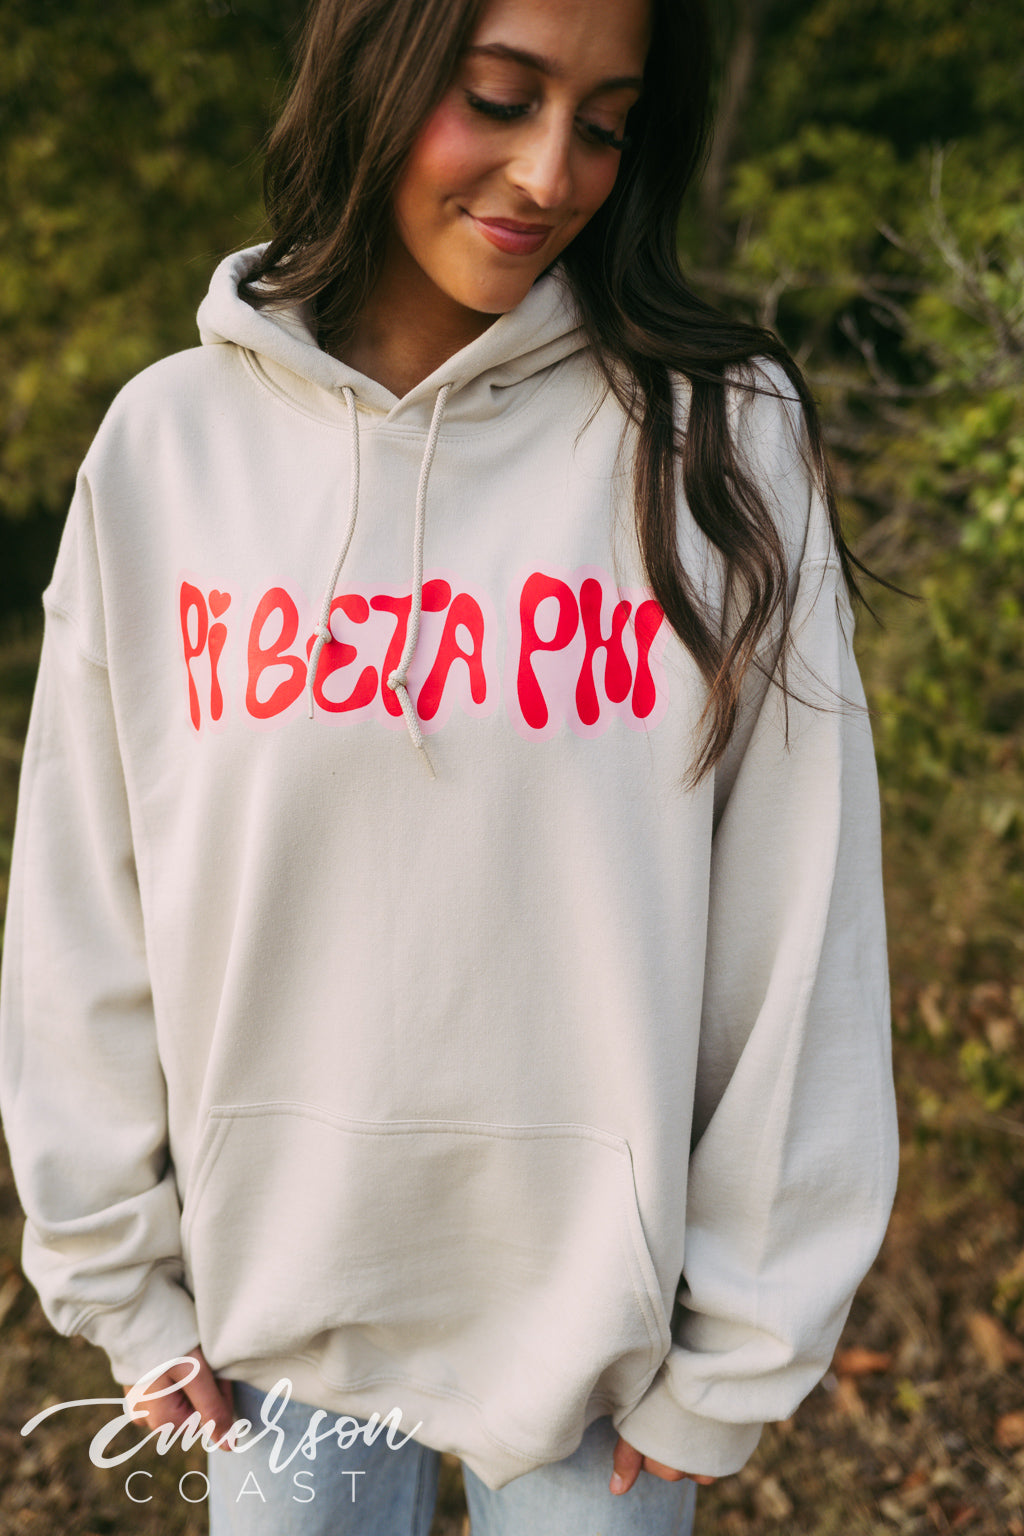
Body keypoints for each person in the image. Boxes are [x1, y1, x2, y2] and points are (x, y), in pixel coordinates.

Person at [0, 0, 900, 1530]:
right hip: (265, 1326)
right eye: (497, 97)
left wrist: (740, 1350)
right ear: (376, 68)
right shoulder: (169, 447)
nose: (552, 173)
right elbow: (87, 897)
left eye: (605, 124)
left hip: (611, 1351)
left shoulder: (713, 445)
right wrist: (120, 1280)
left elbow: (801, 919)